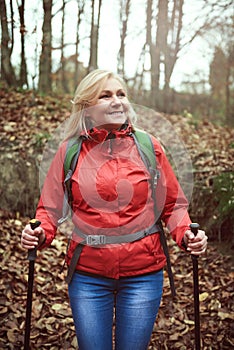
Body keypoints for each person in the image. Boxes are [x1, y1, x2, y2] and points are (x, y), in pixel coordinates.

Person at [21, 69, 208, 350]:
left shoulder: (149, 147)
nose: (117, 101)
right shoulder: (69, 151)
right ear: (87, 107)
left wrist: (186, 235)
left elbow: (173, 205)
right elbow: (49, 208)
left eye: (121, 94)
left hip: (143, 275)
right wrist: (39, 233)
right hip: (87, 276)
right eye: (105, 95)